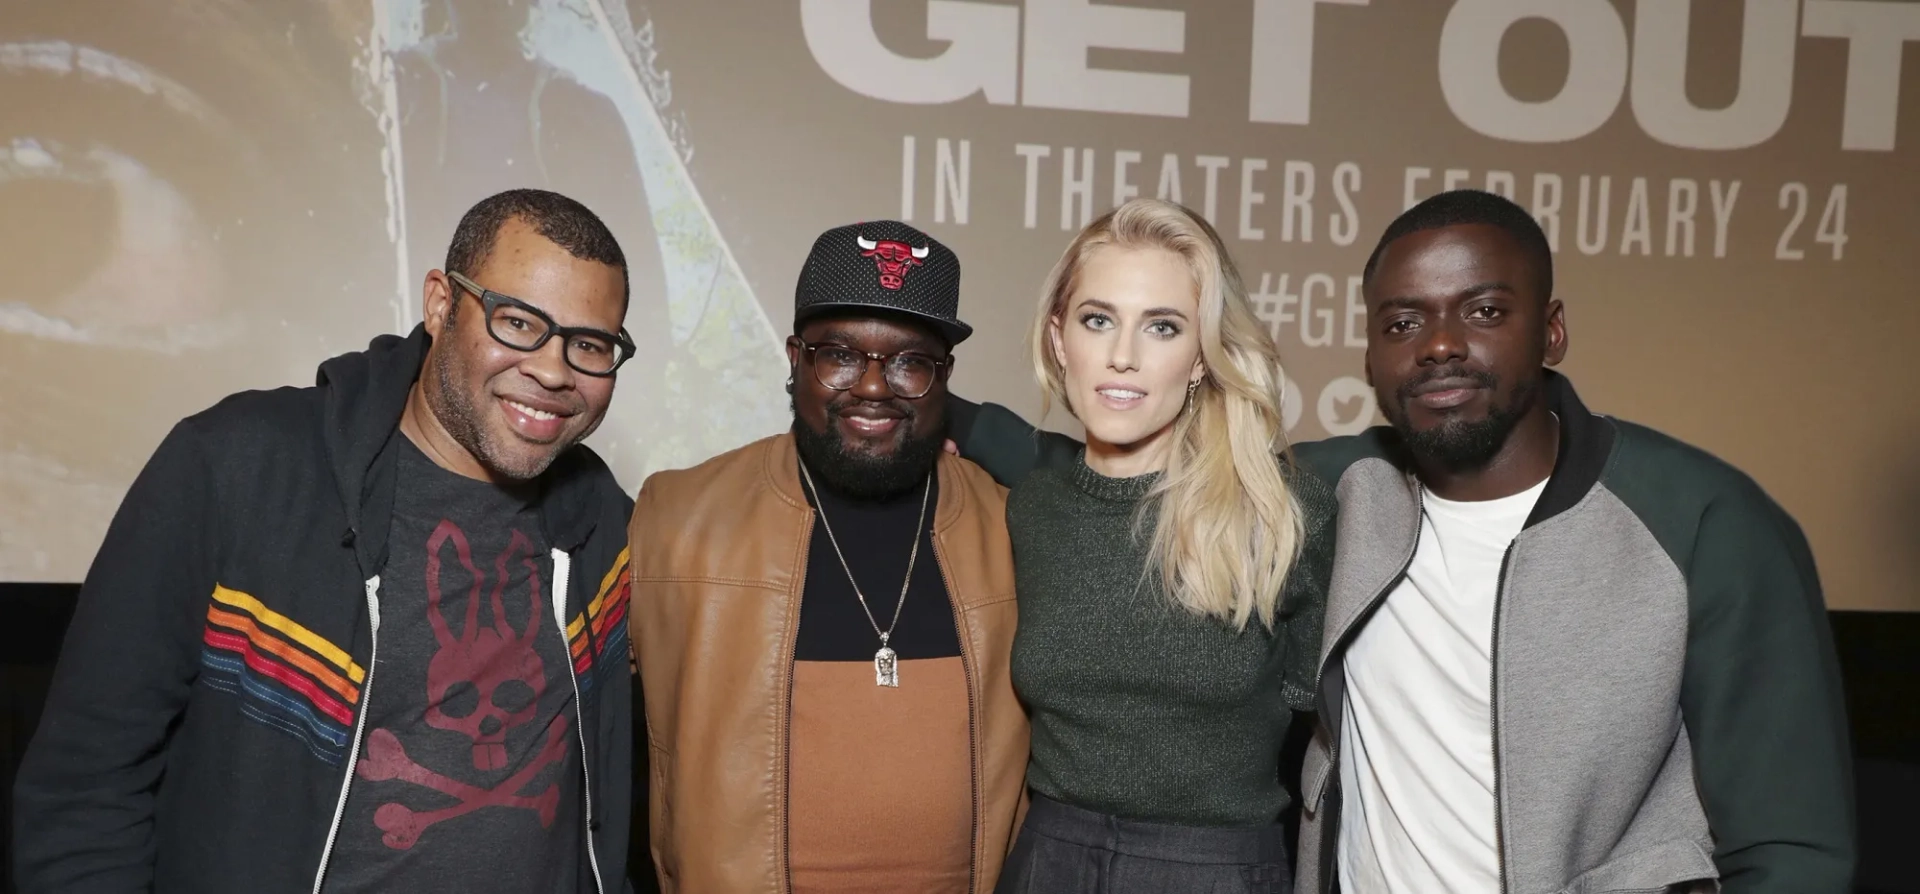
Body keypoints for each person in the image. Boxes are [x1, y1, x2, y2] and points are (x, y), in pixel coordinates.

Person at [14, 188, 640, 894]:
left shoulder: (606, 529)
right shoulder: (236, 469)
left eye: (588, 345)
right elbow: (84, 789)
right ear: (440, 304)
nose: (554, 371)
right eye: (518, 322)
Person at [1289, 189, 1855, 893]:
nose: (1438, 344)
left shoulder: (1704, 520)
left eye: (1485, 311)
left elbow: (1792, 847)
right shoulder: (1332, 495)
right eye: (1403, 322)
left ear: (1551, 331)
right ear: (1371, 358)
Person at [947, 197, 1335, 893]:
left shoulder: (1280, 516)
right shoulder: (1031, 513)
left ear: (1200, 358)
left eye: (1162, 327)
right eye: (1099, 321)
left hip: (1218, 872)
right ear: (1060, 339)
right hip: (1048, 863)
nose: (1122, 356)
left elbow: (1332, 741)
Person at [626, 220, 1025, 894]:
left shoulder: (1016, 530)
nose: (872, 387)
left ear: (945, 376)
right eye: (838, 354)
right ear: (794, 359)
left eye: (909, 362)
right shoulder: (675, 519)